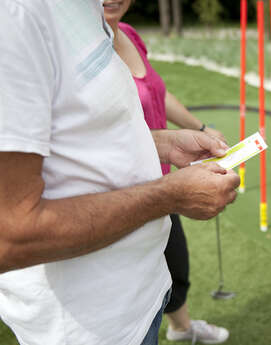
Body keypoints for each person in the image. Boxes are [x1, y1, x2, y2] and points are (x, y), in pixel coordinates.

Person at [0, 1, 240, 345]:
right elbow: (9, 234)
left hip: (140, 298)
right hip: (90, 328)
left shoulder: (84, 9)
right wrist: (169, 194)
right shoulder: (13, 17)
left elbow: (76, 135)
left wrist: (162, 143)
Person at [103, 0, 229, 343]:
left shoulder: (128, 34)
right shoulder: (89, 49)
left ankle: (180, 328)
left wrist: (201, 128)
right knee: (149, 278)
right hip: (125, 188)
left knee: (174, 265)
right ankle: (177, 328)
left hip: (163, 177)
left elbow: (159, 92)